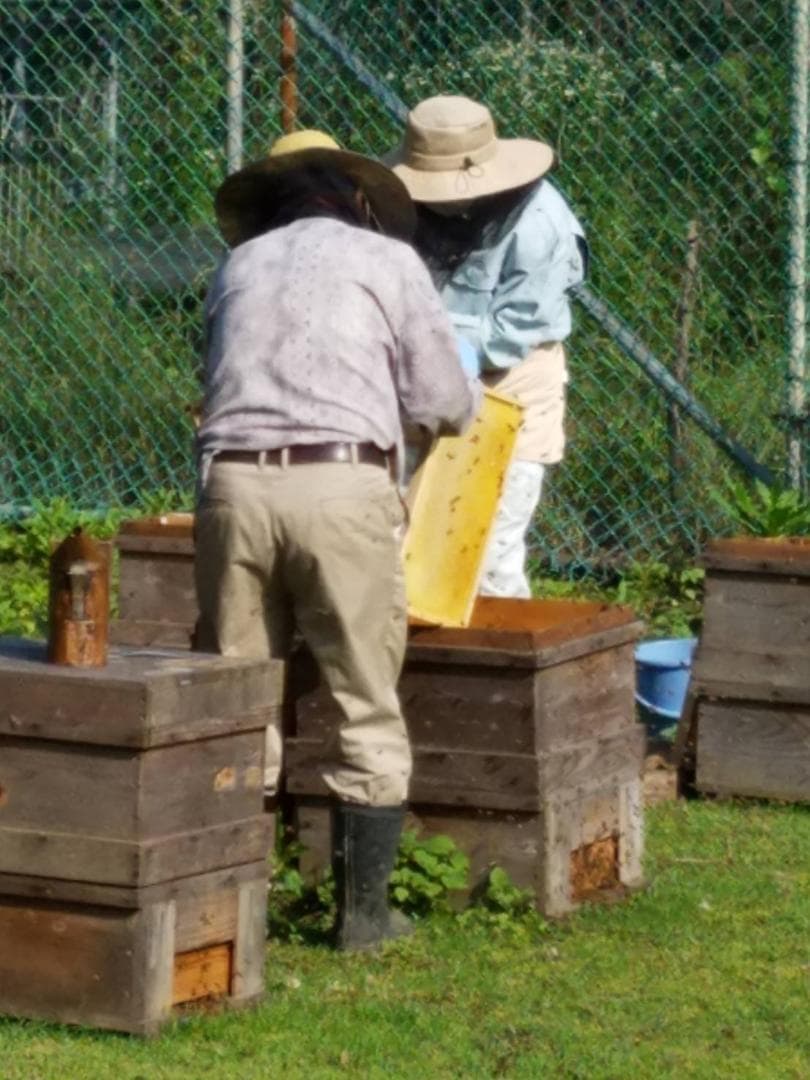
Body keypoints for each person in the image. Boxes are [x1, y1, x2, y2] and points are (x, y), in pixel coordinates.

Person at [194, 129, 478, 950]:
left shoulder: (236, 267)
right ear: (359, 203)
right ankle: (362, 917)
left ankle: (230, 906)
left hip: (232, 488)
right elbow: (442, 399)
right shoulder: (389, 264)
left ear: (271, 210)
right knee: (363, 696)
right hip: (341, 485)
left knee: (236, 697)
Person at [387, 95, 588, 598]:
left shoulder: (541, 222)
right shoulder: (399, 208)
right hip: (417, 380)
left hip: (511, 383)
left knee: (489, 549)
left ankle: (497, 668)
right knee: (397, 535)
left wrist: (447, 354)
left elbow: (515, 328)